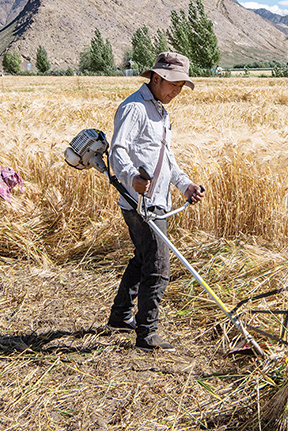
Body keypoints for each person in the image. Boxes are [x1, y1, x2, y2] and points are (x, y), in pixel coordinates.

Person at [106, 51, 205, 352]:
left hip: (158, 200)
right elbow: (117, 152)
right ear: (157, 77)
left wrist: (185, 185)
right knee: (159, 266)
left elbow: (167, 160)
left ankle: (121, 315)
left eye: (181, 86)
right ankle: (147, 334)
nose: (176, 91)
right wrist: (131, 177)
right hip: (139, 203)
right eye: (173, 84)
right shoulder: (134, 108)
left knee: (144, 256)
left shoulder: (161, 112)